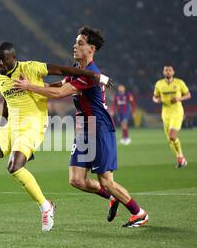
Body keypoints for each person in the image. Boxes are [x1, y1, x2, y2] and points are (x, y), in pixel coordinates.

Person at [0, 42, 111, 231]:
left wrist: (96, 76)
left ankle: (46, 207)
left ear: (13, 58)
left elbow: (62, 70)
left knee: (14, 167)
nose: (0, 63)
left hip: (32, 126)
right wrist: (3, 120)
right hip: (11, 128)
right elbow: (7, 99)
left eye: (4, 59)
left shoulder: (30, 67)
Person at [14, 26, 148, 228]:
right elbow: (57, 86)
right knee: (77, 180)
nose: (75, 46)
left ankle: (139, 213)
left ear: (91, 49)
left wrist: (29, 88)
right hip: (85, 130)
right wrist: (31, 85)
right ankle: (113, 197)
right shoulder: (78, 70)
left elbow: (60, 95)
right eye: (76, 42)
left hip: (99, 128)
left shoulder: (90, 73)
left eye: (80, 43)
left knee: (106, 182)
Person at [153, 66, 191, 168]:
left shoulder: (179, 82)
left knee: (172, 135)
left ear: (173, 72)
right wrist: (157, 100)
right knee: (170, 140)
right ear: (163, 72)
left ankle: (180, 156)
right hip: (165, 112)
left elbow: (188, 95)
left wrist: (179, 98)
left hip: (177, 111)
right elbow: (155, 97)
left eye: (170, 70)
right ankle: (181, 158)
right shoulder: (159, 84)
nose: (168, 72)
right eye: (166, 70)